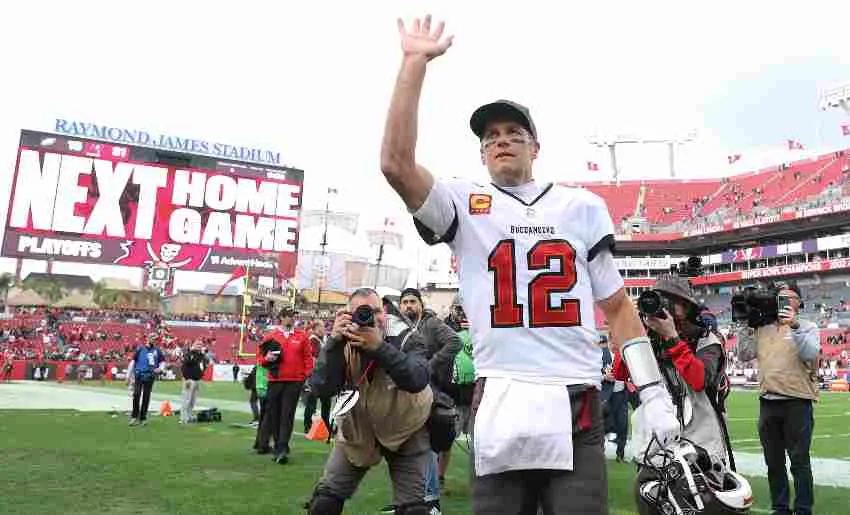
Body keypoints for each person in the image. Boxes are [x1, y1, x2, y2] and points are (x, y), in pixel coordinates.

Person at [380, 15, 679, 514]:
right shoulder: (463, 203)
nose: (501, 140)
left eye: (514, 132)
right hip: (502, 397)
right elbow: (395, 164)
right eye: (491, 135)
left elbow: (619, 307)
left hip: (575, 396)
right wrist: (414, 64)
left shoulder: (580, 206)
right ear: (480, 152)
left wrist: (653, 394)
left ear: (535, 146)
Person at [611, 275, 738, 513]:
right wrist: (634, 334)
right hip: (656, 448)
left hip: (701, 447)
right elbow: (619, 371)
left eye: (673, 302)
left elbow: (699, 380)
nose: (666, 307)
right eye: (661, 300)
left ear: (688, 307)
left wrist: (672, 338)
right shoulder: (646, 339)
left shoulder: (706, 339)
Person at [305, 288, 433, 515]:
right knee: (324, 504)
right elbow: (321, 388)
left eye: (375, 311)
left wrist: (379, 347)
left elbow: (417, 379)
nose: (370, 318)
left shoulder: (406, 337)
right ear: (347, 315)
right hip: (359, 428)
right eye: (361, 313)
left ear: (384, 312)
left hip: (406, 426)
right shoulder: (342, 339)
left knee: (415, 510)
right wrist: (334, 343)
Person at [736, 281, 820, 515]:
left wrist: (794, 325)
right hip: (768, 402)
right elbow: (743, 354)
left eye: (787, 296)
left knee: (799, 461)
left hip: (797, 401)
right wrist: (745, 323)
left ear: (798, 302)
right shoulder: (763, 327)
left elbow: (810, 353)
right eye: (779, 297)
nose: (781, 300)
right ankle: (780, 508)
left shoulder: (807, 325)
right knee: (773, 463)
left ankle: (803, 509)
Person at [383, 288, 461, 514]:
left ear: (420, 303)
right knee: (402, 448)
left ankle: (431, 501)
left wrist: (431, 365)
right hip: (403, 393)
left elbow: (454, 342)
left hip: (429, 392)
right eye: (404, 302)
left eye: (412, 302)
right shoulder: (397, 326)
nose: (408, 306)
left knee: (426, 448)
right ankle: (405, 501)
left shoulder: (432, 324)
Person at [256, 309, 314, 465]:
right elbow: (260, 356)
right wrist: (266, 358)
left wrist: (307, 376)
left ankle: (281, 447)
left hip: (294, 381)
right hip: (275, 380)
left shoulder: (302, 336)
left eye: (294, 316)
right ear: (281, 318)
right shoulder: (271, 336)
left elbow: (308, 358)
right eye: (289, 316)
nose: (292, 319)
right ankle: (278, 444)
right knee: (274, 415)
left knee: (287, 414)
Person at [600, 337, 628, 463]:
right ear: (610, 341)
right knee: (605, 425)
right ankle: (600, 453)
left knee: (623, 425)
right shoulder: (601, 354)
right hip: (607, 396)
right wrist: (604, 376)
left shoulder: (624, 354)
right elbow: (591, 373)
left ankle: (620, 455)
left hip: (621, 395)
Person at [303, 319, 332, 435]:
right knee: (312, 403)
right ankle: (308, 425)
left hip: (322, 376)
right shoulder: (313, 340)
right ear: (315, 329)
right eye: (321, 328)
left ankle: (325, 426)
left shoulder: (320, 340)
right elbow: (314, 358)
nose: (323, 330)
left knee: (325, 403)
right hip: (316, 376)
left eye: (324, 328)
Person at [129, 333, 165, 426]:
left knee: (146, 396)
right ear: (148, 338)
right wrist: (128, 376)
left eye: (156, 339)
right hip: (139, 375)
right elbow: (133, 361)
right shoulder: (140, 348)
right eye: (153, 338)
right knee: (136, 395)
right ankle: (134, 416)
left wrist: (160, 368)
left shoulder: (157, 350)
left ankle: (143, 417)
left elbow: (162, 362)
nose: (155, 340)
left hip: (150, 376)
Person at [180, 340, 208, 424]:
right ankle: (183, 418)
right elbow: (184, 366)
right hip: (189, 380)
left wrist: (201, 374)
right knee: (186, 399)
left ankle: (189, 416)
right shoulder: (189, 354)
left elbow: (204, 366)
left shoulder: (202, 356)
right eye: (197, 344)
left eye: (201, 344)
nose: (199, 346)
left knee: (192, 400)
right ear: (193, 345)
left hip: (197, 380)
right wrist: (186, 378)